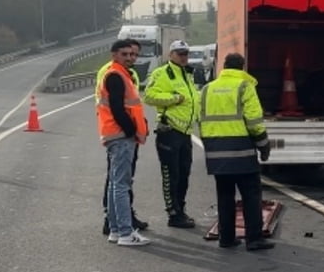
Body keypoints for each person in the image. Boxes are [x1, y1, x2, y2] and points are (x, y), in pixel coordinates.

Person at [199, 53, 274, 251]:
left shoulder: (207, 89)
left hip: (216, 152)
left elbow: (201, 120)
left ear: (224, 66)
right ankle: (254, 239)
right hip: (241, 151)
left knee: (224, 196)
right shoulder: (244, 86)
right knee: (251, 196)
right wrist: (264, 145)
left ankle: (227, 238)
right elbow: (254, 121)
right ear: (242, 67)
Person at [98, 39, 151, 246]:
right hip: (121, 136)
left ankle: (115, 230)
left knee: (114, 184)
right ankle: (126, 233)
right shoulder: (116, 75)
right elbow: (118, 109)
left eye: (133, 54)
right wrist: (131, 131)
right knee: (121, 184)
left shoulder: (120, 74)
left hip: (115, 134)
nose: (130, 57)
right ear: (114, 55)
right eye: (125, 54)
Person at [142, 39, 200, 228]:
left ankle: (181, 209)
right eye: (180, 53)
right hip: (169, 131)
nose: (184, 57)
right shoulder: (162, 73)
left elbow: (194, 102)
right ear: (171, 54)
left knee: (184, 173)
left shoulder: (188, 74)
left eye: (186, 53)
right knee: (171, 174)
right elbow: (149, 96)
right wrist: (174, 99)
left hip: (185, 132)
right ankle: (173, 214)